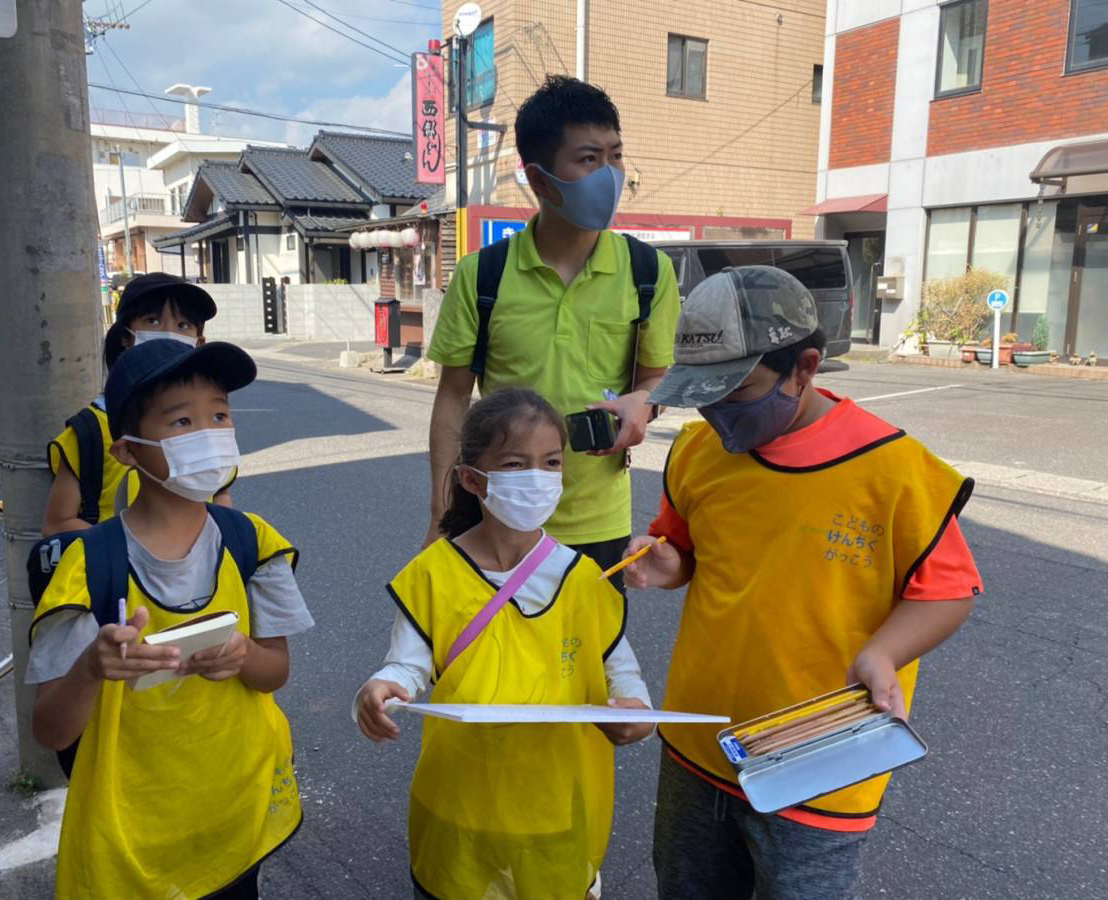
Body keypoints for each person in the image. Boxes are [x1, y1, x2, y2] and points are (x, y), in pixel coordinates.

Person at [621, 267, 983, 900]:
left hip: (821, 755)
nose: (717, 411)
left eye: (736, 390)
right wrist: (666, 564)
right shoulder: (697, 452)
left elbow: (947, 591)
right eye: (703, 393)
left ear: (804, 368)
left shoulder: (894, 468)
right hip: (697, 742)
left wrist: (884, 653)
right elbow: (684, 550)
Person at [27, 339, 313, 900]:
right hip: (133, 835)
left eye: (220, 415)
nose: (209, 434)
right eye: (182, 421)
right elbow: (52, 731)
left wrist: (243, 655)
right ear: (128, 451)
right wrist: (91, 668)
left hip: (237, 811)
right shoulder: (88, 568)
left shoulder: (253, 542)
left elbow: (275, 672)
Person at [356, 388, 653, 900]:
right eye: (516, 463)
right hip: (460, 801)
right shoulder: (432, 573)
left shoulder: (585, 577)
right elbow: (407, 664)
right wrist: (382, 686)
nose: (537, 477)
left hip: (558, 804)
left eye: (551, 462)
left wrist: (637, 710)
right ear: (473, 479)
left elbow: (620, 668)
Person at [424, 75, 680, 587]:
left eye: (615, 156)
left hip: (599, 522)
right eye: (588, 159)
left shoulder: (648, 271)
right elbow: (452, 396)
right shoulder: (482, 275)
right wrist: (442, 513)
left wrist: (645, 404)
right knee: (487, 639)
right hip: (496, 519)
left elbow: (658, 377)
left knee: (589, 640)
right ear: (538, 180)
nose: (608, 175)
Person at [41, 273, 227, 537]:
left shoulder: (208, 423)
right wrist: (133, 548)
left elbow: (220, 497)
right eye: (152, 321)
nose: (168, 334)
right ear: (125, 337)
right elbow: (57, 525)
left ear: (199, 343)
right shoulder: (90, 431)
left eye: (183, 324)